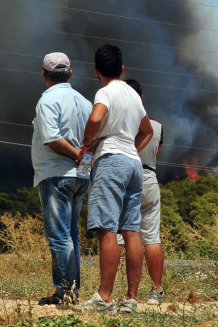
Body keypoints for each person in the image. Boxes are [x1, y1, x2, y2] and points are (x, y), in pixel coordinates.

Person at [75, 45, 154, 315]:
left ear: (97, 71)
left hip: (111, 161)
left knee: (106, 229)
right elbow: (148, 130)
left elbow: (96, 117)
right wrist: (132, 149)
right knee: (131, 230)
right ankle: (131, 299)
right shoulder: (133, 94)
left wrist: (87, 144)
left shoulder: (105, 91)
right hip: (133, 164)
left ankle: (104, 298)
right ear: (122, 68)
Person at [31, 52, 93, 306]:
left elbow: (53, 139)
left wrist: (76, 154)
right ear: (70, 73)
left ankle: (64, 293)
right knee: (72, 235)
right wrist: (84, 158)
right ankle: (72, 291)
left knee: (59, 236)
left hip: (57, 174)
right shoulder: (86, 102)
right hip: (81, 177)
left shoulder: (48, 101)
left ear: (44, 75)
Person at [116, 79, 165, 305]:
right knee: (151, 239)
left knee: (118, 237)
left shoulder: (117, 123)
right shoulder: (157, 127)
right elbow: (156, 150)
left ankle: (119, 290)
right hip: (149, 178)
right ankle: (156, 291)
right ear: (142, 98)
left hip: (125, 179)